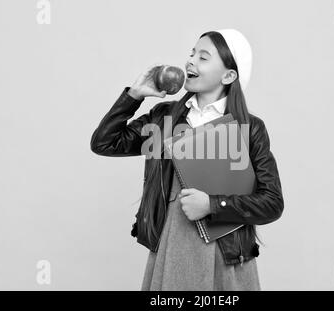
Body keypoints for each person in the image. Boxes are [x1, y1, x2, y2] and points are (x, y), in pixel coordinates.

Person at [90, 29, 284, 290]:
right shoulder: (164, 118)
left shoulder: (249, 128)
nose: (190, 61)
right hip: (172, 247)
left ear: (229, 75)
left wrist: (213, 205)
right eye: (191, 54)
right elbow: (105, 142)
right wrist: (134, 96)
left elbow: (271, 202)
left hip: (224, 257)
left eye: (203, 57)